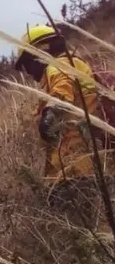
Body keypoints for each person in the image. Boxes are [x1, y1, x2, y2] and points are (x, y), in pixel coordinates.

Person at [15, 23, 112, 229]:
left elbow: (61, 94)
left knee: (80, 231)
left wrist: (49, 116)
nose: (28, 72)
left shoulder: (59, 66)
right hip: (77, 164)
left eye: (26, 63)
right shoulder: (73, 65)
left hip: (77, 167)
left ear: (40, 51)